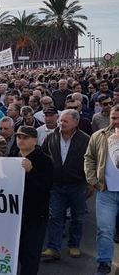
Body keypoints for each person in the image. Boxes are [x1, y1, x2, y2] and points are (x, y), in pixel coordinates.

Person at [40, 109, 91, 261]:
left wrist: (90, 183)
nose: (62, 124)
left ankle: (74, 245)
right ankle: (53, 248)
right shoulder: (51, 137)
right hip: (56, 185)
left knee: (77, 218)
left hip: (77, 185)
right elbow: (44, 157)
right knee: (55, 216)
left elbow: (90, 161)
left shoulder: (85, 139)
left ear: (76, 123)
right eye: (61, 120)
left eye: (65, 121)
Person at [84, 105, 119, 275]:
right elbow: (89, 158)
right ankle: (104, 262)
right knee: (105, 229)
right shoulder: (99, 136)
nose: (116, 121)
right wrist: (92, 180)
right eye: (113, 118)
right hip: (106, 192)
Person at [15, 126, 53, 275]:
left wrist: (31, 171)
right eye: (19, 137)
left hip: (35, 216)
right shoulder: (12, 155)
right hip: (14, 214)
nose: (21, 140)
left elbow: (45, 187)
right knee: (11, 253)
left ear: (35, 140)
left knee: (30, 255)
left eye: (25, 137)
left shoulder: (45, 160)